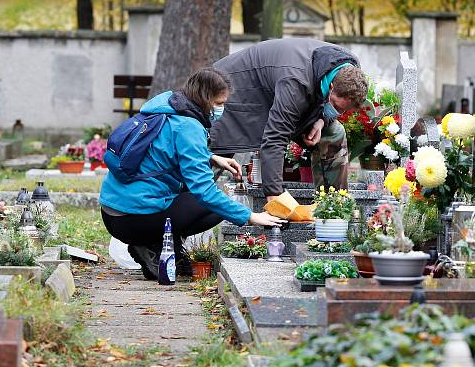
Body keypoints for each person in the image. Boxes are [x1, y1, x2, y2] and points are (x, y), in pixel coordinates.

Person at [100, 68, 284, 280]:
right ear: (205, 100)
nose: (221, 110)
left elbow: (163, 149)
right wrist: (250, 216)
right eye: (219, 103)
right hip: (132, 221)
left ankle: (160, 246)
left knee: (197, 199)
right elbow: (204, 191)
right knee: (215, 207)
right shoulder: (189, 126)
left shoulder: (167, 106)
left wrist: (211, 157)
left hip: (113, 213)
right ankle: (154, 246)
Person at [210, 38, 369, 202]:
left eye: (345, 110)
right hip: (233, 89)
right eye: (335, 105)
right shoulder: (295, 83)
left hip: (276, 89)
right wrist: (274, 195)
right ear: (331, 87)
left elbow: (327, 102)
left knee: (334, 132)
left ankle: (334, 206)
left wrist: (322, 119)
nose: (339, 113)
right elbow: (275, 137)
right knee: (214, 157)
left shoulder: (349, 69)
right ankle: (185, 209)